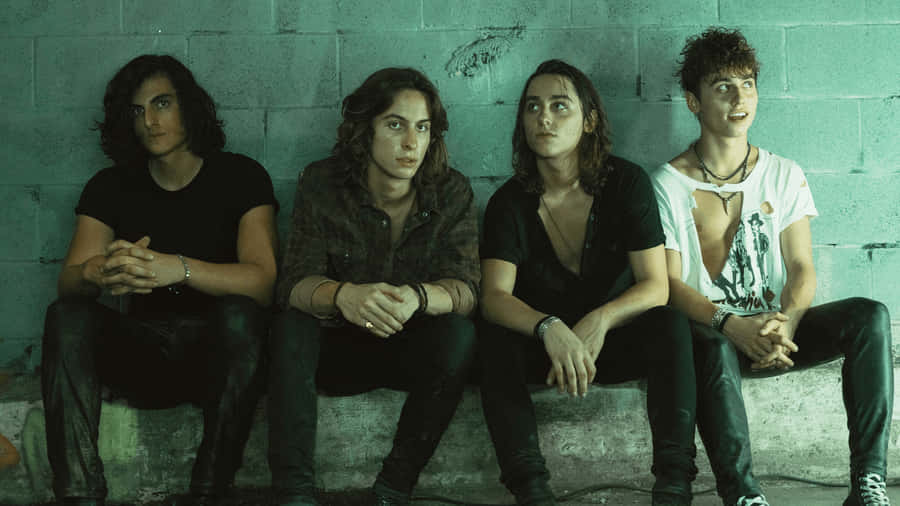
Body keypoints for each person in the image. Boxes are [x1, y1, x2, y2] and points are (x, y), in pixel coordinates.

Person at [651, 27, 893, 506]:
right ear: (694, 101)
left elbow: (802, 267)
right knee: (709, 345)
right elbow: (669, 285)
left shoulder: (783, 173)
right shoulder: (667, 183)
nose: (739, 97)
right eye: (723, 86)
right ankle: (743, 495)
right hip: (714, 336)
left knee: (870, 315)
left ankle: (869, 482)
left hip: (777, 333)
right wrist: (732, 325)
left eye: (747, 84)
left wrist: (788, 324)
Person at [41, 54, 278, 506]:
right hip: (143, 354)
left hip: (218, 362)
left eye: (162, 103)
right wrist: (96, 271)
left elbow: (263, 282)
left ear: (189, 106)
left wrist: (178, 268)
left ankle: (210, 492)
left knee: (241, 315)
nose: (149, 120)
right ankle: (79, 495)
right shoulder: (111, 186)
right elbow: (69, 284)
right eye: (137, 110)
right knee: (66, 316)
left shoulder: (241, 176)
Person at [478, 59, 699, 506]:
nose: (544, 118)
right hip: (547, 351)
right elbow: (494, 297)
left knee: (670, 323)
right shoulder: (509, 203)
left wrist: (602, 319)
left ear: (590, 121)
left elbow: (655, 285)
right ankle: (531, 489)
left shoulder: (626, 183)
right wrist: (548, 327)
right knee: (492, 339)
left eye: (559, 106)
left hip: (611, 344)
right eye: (533, 107)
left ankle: (674, 484)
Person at [268, 67, 480, 506]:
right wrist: (343, 295)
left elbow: (466, 291)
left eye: (422, 128)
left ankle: (393, 489)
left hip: (409, 349)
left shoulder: (450, 191)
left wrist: (417, 298)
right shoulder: (322, 183)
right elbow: (291, 285)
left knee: (460, 334)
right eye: (395, 125)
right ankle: (294, 493)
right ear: (365, 131)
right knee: (290, 326)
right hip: (338, 350)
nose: (411, 143)